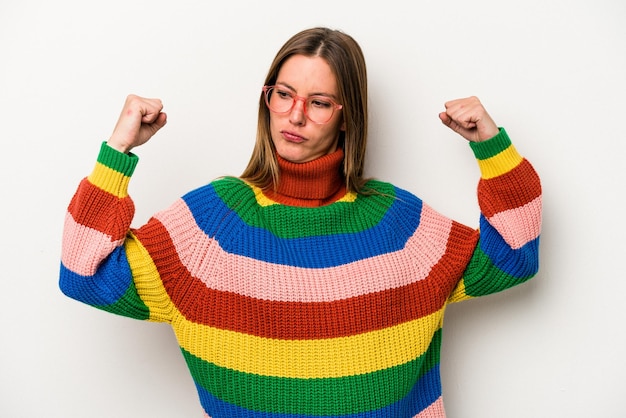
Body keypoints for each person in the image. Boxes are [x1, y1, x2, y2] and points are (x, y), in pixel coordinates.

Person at [60, 27, 542, 417]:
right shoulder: (212, 224)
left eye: (317, 102)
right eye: (283, 94)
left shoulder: (397, 225)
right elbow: (83, 274)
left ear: (346, 116)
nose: (295, 115)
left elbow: (514, 257)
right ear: (266, 99)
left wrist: (491, 145)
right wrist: (117, 151)